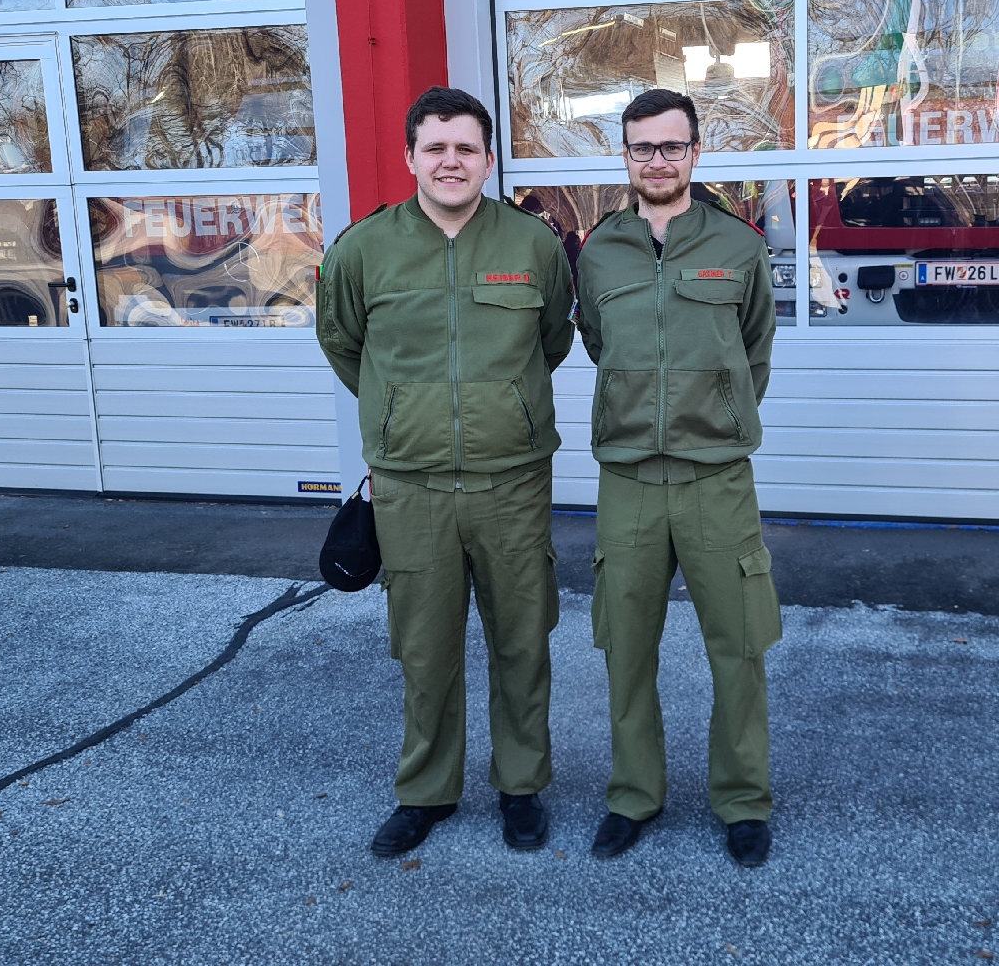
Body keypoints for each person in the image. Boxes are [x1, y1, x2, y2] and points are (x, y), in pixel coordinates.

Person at [316, 87, 575, 857]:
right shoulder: (363, 250)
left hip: (511, 482)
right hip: (412, 486)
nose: (450, 161)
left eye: (466, 148)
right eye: (435, 147)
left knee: (522, 642)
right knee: (424, 650)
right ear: (410, 158)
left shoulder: (533, 245)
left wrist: (502, 410)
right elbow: (343, 344)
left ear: (488, 160)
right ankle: (426, 792)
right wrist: (404, 412)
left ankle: (521, 786)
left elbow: (552, 340)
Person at [573, 89, 781, 868]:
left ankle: (743, 800)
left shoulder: (739, 246)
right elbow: (598, 341)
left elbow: (754, 352)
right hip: (628, 480)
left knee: (740, 646)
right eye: (642, 148)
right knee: (626, 648)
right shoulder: (599, 252)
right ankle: (634, 795)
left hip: (716, 479)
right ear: (625, 156)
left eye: (671, 146)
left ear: (696, 152)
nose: (657, 161)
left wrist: (713, 413)